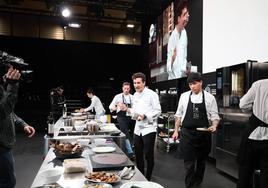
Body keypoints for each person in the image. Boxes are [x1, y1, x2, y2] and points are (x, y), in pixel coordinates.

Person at [172, 72, 220, 188]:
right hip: (187, 133)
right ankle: (189, 186)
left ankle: (197, 184)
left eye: (194, 84)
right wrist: (175, 131)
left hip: (203, 134)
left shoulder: (209, 98)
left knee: (201, 162)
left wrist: (214, 126)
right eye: (190, 85)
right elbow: (178, 115)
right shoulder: (184, 96)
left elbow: (214, 116)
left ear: (201, 82)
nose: (192, 87)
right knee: (188, 164)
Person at [0, 66, 35, 188]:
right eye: (8, 70)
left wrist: (23, 124)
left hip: (4, 145)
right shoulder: (8, 86)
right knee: (7, 183)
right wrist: (13, 85)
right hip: (1, 147)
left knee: (8, 181)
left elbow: (9, 113)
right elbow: (2, 110)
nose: (11, 73)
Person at [124, 72, 161, 180]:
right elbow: (135, 112)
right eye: (134, 83)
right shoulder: (135, 95)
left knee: (148, 155)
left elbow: (158, 111)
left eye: (138, 83)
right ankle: (141, 177)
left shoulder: (152, 94)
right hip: (137, 129)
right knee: (138, 155)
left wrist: (145, 116)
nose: (136, 85)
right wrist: (127, 110)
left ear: (144, 83)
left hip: (149, 129)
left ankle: (148, 178)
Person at [237, 79, 268, 188]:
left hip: (253, 136)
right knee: (266, 178)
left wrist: (254, 108)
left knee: (245, 174)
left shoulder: (259, 84)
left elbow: (243, 104)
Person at [109, 82, 135, 160]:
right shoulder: (118, 96)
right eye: (125, 88)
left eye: (128, 89)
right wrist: (116, 106)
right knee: (125, 133)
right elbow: (111, 106)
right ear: (122, 88)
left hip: (130, 117)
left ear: (130, 89)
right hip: (121, 116)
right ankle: (130, 152)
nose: (126, 90)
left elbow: (135, 108)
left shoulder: (133, 97)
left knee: (131, 133)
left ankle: (129, 149)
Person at [166, 0, 190, 80]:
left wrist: (187, 68)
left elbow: (184, 57)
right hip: (173, 79)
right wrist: (173, 58)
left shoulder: (184, 33)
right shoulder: (172, 37)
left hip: (183, 78)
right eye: (184, 15)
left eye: (187, 15)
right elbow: (168, 66)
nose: (187, 17)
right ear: (179, 18)